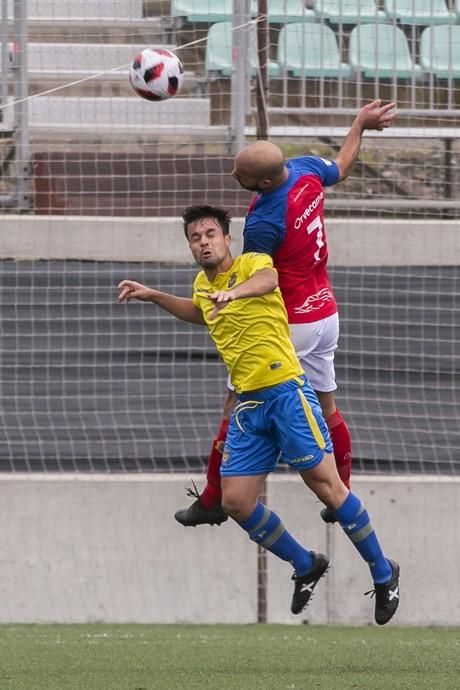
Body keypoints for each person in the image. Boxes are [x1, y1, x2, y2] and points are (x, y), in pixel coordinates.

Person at [117, 204, 400, 625]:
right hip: (250, 404)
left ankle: (383, 572)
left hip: (286, 392)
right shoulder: (201, 283)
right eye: (195, 237)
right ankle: (306, 564)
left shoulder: (253, 262)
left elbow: (270, 281)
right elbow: (200, 313)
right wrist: (154, 295)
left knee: (327, 487)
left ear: (228, 238)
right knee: (236, 502)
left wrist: (235, 291)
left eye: (211, 234)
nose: (203, 242)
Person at [174, 99, 397, 529]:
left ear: (259, 182)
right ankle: (341, 495)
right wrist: (359, 125)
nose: (232, 174)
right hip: (325, 311)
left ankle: (214, 496)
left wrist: (224, 294)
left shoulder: (261, 223)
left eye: (238, 173)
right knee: (328, 405)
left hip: (291, 323)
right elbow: (342, 166)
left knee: (234, 402)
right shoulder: (306, 168)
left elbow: (260, 276)